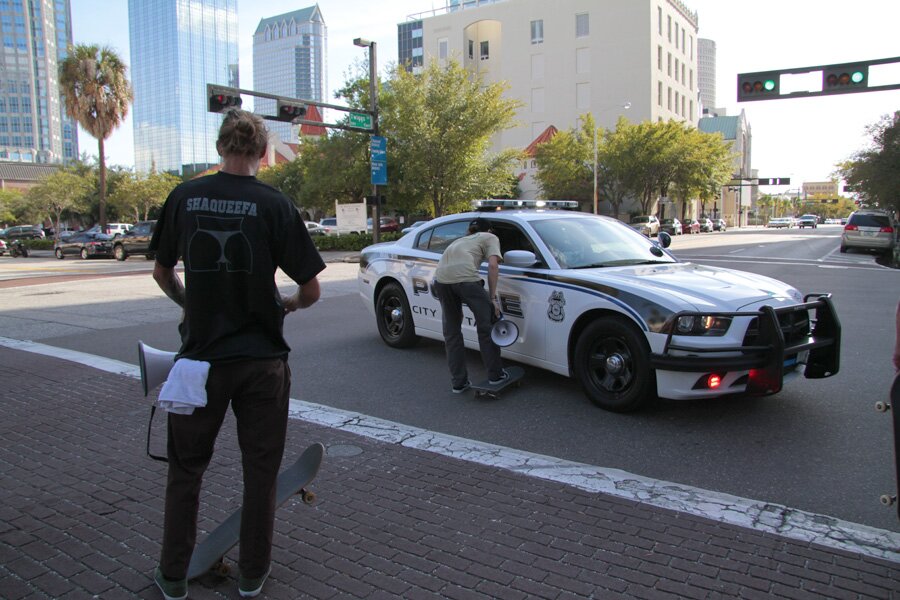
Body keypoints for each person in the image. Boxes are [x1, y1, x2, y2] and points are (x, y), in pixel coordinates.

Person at [149, 108, 325, 600]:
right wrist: (286, 305)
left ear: (219, 147)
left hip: (199, 362)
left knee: (186, 472)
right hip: (261, 362)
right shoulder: (274, 204)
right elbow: (311, 289)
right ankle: (251, 576)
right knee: (261, 471)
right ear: (263, 152)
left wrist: (193, 306)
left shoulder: (183, 197)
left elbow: (163, 273)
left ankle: (173, 576)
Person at [433, 217, 507, 393]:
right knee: (487, 326)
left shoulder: (459, 240)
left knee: (452, 333)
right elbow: (493, 266)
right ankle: (495, 375)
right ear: (489, 230)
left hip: (441, 280)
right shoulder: (489, 237)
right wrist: (493, 299)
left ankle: (459, 383)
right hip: (466, 280)